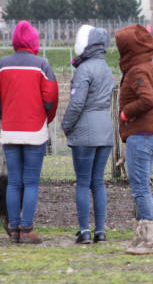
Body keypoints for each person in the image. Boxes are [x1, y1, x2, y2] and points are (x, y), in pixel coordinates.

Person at [0, 20, 59, 243]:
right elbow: (51, 97)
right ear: (34, 40)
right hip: (35, 131)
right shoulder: (42, 65)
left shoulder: (1, 65)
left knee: (14, 182)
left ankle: (14, 228)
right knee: (31, 182)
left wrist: (3, 115)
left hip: (10, 130)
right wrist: (45, 119)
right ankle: (27, 228)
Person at [61, 25, 115, 244]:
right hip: (105, 131)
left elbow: (77, 104)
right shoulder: (106, 68)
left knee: (83, 183)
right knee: (98, 182)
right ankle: (100, 231)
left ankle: (84, 230)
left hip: (84, 133)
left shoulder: (84, 70)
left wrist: (66, 125)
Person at [115, 24, 153, 255]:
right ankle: (140, 237)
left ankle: (151, 241)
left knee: (141, 189)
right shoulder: (148, 66)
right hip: (147, 135)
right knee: (139, 188)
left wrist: (126, 113)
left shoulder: (137, 71)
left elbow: (148, 100)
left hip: (142, 136)